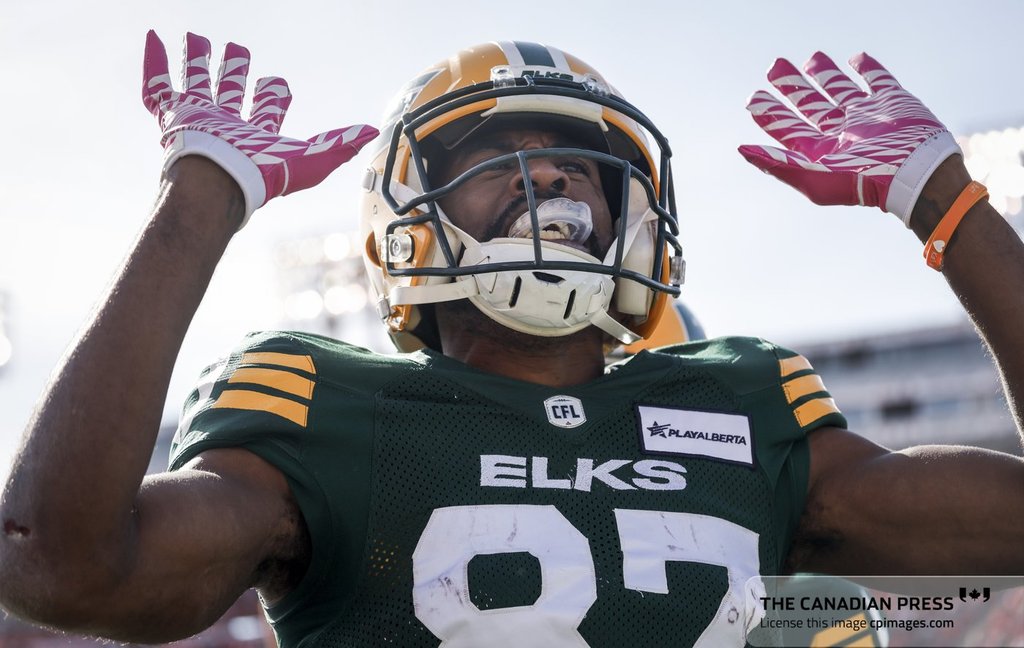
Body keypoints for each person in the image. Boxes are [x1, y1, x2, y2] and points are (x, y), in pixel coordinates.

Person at [0, 32, 1021, 648]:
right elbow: (59, 564)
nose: (557, 180)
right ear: (407, 218)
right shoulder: (324, 402)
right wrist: (196, 212)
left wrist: (949, 204)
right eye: (501, 156)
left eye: (581, 162)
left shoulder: (739, 400)